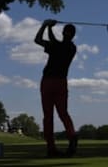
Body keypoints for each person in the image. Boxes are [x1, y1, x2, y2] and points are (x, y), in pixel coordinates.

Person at [34, 19, 78, 157]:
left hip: (48, 82)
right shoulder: (72, 48)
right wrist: (48, 27)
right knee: (63, 113)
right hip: (60, 83)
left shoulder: (64, 47)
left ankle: (51, 148)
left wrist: (46, 26)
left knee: (48, 116)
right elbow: (42, 40)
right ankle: (71, 136)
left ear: (65, 33)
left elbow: (38, 39)